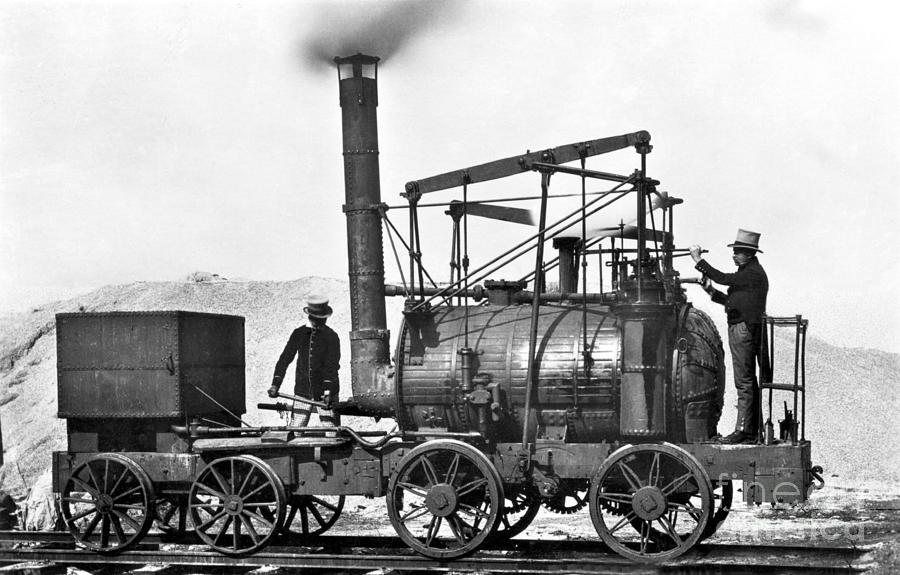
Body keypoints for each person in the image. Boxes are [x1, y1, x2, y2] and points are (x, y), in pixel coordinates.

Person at [690, 229, 769, 444]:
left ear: (750, 254)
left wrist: (698, 260)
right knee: (747, 380)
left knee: (743, 381)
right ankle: (750, 429)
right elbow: (731, 302)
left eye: (738, 252)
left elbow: (724, 278)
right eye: (734, 251)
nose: (734, 255)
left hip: (742, 329)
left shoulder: (751, 273)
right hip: (741, 327)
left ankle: (744, 430)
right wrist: (710, 291)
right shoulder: (749, 275)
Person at [268, 295, 341, 427]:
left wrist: (328, 392)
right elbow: (284, 359)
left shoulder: (332, 336)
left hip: (325, 394)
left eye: (323, 318)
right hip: (302, 392)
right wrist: (275, 384)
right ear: (311, 317)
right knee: (297, 430)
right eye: (319, 319)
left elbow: (332, 366)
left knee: (332, 431)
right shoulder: (298, 333)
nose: (322, 321)